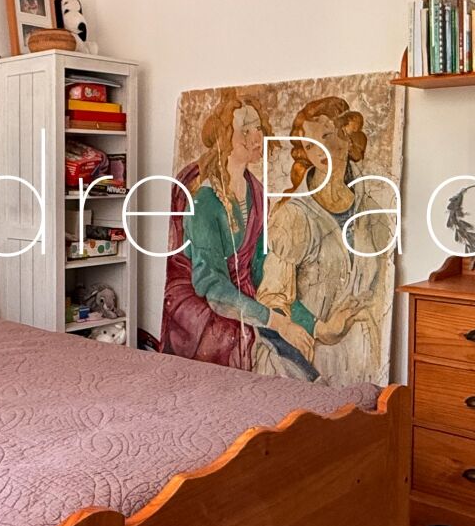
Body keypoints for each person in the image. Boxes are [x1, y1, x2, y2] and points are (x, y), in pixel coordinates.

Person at [158, 91, 314, 373]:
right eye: (246, 130)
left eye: (258, 127)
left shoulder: (258, 193)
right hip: (205, 309)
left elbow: (261, 268)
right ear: (225, 138)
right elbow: (213, 287)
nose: (257, 137)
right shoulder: (205, 202)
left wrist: (304, 321)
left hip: (246, 301)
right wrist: (276, 322)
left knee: (299, 364)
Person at [257, 96, 392, 386]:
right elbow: (272, 297)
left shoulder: (372, 214)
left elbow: (380, 292)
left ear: (347, 137)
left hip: (362, 359)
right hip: (303, 363)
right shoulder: (294, 214)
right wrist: (320, 327)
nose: (318, 149)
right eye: (309, 145)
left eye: (327, 136)